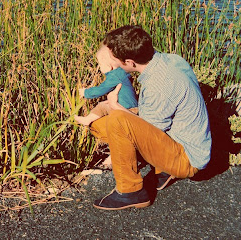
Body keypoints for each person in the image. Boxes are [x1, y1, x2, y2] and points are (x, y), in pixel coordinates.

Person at [89, 25, 211, 210]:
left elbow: (149, 127)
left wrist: (116, 107)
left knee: (116, 120)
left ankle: (130, 192)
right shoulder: (170, 60)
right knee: (98, 125)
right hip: (182, 139)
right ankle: (162, 169)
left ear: (130, 62)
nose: (114, 64)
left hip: (187, 159)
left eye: (115, 60)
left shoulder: (158, 85)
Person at [75, 45, 138, 126]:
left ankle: (87, 120)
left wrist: (86, 92)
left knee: (102, 107)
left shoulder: (114, 76)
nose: (99, 67)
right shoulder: (122, 73)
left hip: (126, 108)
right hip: (131, 107)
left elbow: (101, 89)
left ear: (109, 67)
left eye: (100, 64)